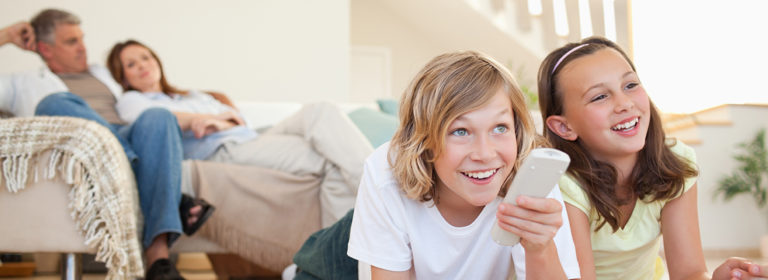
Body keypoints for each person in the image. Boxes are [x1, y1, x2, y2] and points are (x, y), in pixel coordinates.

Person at [0, 9, 213, 280]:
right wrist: (6, 36)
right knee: (54, 103)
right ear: (45, 49)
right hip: (84, 146)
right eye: (71, 42)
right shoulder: (23, 83)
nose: (83, 48)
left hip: (127, 137)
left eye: (82, 39)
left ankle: (159, 263)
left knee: (158, 116)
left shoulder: (103, 73)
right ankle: (147, 179)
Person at [537, 36, 768, 280]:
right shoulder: (564, 185)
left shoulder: (675, 161)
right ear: (564, 128)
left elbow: (688, 273)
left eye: (630, 85)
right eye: (599, 97)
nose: (624, 104)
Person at [346, 51, 580, 279]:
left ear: (517, 131)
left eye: (500, 127)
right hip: (352, 253)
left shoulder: (530, 175)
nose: (485, 154)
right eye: (460, 131)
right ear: (424, 140)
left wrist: (540, 247)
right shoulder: (385, 172)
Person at [107, 39, 374, 227]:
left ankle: (376, 184)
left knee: (320, 110)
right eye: (131, 64)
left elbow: (237, 119)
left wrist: (218, 121)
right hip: (224, 150)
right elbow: (156, 123)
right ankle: (376, 199)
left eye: (146, 57)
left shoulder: (191, 95)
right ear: (123, 77)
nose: (143, 65)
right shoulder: (132, 100)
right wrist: (207, 119)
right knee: (328, 160)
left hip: (251, 136)